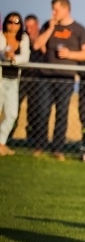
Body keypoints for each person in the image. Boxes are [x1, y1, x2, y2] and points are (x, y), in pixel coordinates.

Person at [31, 0, 85, 160]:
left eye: (56, 9)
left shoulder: (79, 29)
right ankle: (39, 145)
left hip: (65, 77)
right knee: (42, 111)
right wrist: (50, 28)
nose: (53, 12)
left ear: (66, 9)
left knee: (62, 113)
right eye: (52, 9)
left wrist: (70, 54)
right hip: (46, 76)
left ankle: (58, 149)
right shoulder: (48, 25)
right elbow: (36, 45)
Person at [0, 12, 31, 156]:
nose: (13, 25)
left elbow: (25, 57)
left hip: (13, 81)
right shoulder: (0, 36)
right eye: (10, 21)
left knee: (12, 113)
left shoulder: (24, 38)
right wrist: (5, 56)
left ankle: (1, 142)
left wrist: (14, 58)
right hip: (0, 79)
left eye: (17, 22)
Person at [18, 14, 44, 143]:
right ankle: (7, 138)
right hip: (22, 78)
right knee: (14, 109)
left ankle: (32, 140)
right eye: (26, 26)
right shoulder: (22, 38)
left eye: (31, 27)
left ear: (37, 26)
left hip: (37, 80)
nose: (29, 30)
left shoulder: (42, 37)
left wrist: (37, 41)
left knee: (33, 112)